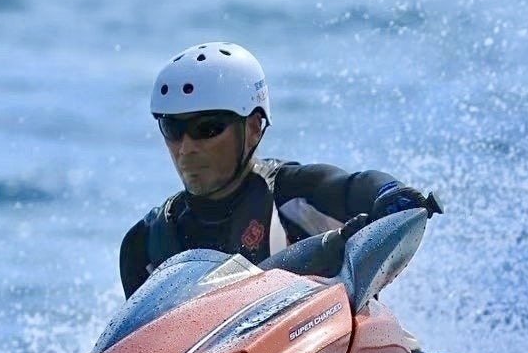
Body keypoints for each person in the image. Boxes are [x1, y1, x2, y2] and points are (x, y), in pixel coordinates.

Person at [119, 42, 435, 297]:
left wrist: (393, 195)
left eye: (207, 128)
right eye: (172, 128)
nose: (186, 148)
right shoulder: (145, 245)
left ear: (253, 128)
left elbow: (358, 186)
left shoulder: (294, 193)